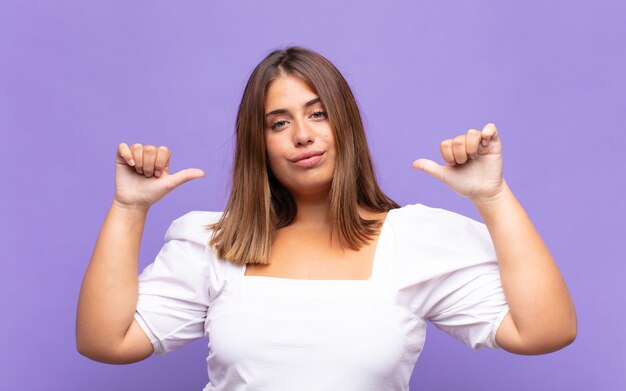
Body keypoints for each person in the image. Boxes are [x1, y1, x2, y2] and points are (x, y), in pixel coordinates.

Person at [76, 47, 577, 390]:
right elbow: (105, 342)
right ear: (261, 143)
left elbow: (546, 331)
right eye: (279, 122)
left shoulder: (416, 240)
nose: (302, 134)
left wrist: (492, 196)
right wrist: (129, 208)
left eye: (318, 114)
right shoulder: (215, 242)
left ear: (346, 125)